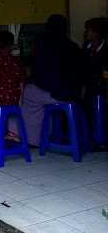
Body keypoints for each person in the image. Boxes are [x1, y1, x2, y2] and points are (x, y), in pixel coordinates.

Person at [13, 14, 82, 146]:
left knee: (26, 94)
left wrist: (31, 79)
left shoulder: (44, 44)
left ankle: (34, 140)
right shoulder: (73, 46)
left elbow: (40, 74)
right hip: (73, 94)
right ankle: (48, 133)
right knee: (40, 98)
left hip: (55, 94)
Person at [0, 31, 25, 139]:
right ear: (12, 44)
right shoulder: (18, 62)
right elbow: (21, 82)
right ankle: (5, 131)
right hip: (14, 101)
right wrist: (20, 100)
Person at [82, 17, 108, 122]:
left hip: (100, 88)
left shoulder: (106, 51)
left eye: (88, 30)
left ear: (96, 33)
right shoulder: (85, 47)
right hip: (86, 87)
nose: (86, 32)